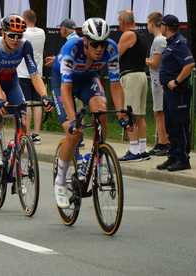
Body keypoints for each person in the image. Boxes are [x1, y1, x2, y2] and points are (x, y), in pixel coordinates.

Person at [52, 18, 128, 208]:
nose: (99, 48)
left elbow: (115, 84)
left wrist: (121, 113)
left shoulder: (111, 49)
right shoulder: (71, 49)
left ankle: (98, 159)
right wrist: (72, 119)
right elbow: (66, 89)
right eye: (95, 44)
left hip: (87, 80)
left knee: (102, 110)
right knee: (74, 130)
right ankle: (60, 181)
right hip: (63, 83)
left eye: (102, 43)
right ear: (85, 41)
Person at [0, 14, 54, 167]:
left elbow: (34, 74)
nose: (16, 39)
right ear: (3, 34)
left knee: (23, 113)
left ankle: (19, 151)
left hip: (11, 79)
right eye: (12, 35)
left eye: (19, 36)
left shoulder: (25, 45)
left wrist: (44, 96)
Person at [157, 14, 195, 172]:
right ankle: (173, 156)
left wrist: (177, 81)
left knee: (179, 124)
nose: (160, 28)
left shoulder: (179, 43)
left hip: (178, 92)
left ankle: (183, 159)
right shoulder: (171, 43)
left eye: (161, 25)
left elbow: (190, 64)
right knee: (170, 125)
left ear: (166, 26)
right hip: (169, 92)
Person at [117, 10, 149, 162]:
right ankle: (142, 149)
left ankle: (134, 150)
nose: (118, 25)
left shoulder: (128, 35)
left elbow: (116, 55)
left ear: (123, 22)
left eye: (119, 22)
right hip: (142, 76)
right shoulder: (142, 35)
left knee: (128, 114)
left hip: (131, 77)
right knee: (140, 115)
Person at [17, 9, 46, 144]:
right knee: (37, 104)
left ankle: (27, 133)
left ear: (25, 19)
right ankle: (37, 134)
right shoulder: (42, 32)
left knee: (27, 103)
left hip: (23, 72)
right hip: (37, 73)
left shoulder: (23, 33)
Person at [146, 12, 170, 156]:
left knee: (159, 112)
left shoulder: (159, 40)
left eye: (148, 23)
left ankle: (163, 142)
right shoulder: (160, 39)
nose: (147, 26)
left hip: (158, 80)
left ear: (153, 23)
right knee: (159, 111)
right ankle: (162, 141)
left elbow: (155, 63)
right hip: (158, 80)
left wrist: (145, 60)